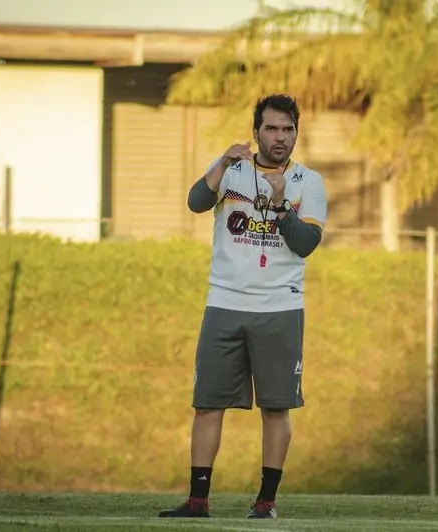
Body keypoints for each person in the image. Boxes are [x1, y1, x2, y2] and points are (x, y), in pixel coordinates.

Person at [158, 94, 328, 520]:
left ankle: (266, 502)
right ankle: (198, 501)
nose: (280, 137)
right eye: (271, 128)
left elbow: (306, 244)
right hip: (225, 303)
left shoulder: (309, 182)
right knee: (208, 403)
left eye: (288, 129)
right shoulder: (232, 171)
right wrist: (220, 160)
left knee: (276, 407)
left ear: (296, 134)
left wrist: (279, 203)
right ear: (256, 133)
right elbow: (197, 201)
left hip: (280, 308)